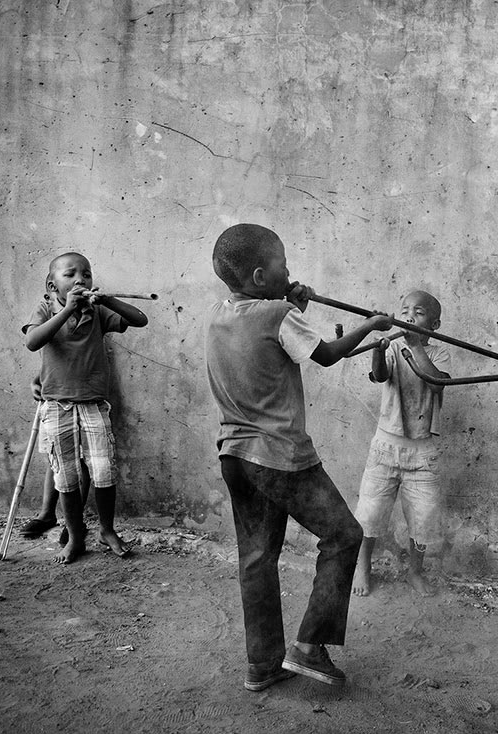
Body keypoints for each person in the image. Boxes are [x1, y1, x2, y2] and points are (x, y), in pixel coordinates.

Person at [204, 223, 392, 692]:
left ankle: (262, 666)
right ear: (260, 275)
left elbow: (268, 345)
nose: (291, 270)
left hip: (235, 455)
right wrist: (369, 325)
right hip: (280, 456)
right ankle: (309, 647)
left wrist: (292, 306)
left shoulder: (219, 314)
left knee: (257, 558)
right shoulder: (278, 314)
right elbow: (325, 355)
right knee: (345, 534)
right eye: (283, 264)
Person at [22, 252, 148, 563]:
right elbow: (33, 341)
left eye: (87, 274)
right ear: (53, 286)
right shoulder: (46, 308)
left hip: (93, 404)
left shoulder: (98, 311)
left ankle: (107, 529)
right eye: (71, 274)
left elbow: (139, 319)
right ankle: (76, 536)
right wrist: (66, 310)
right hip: (56, 405)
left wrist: (108, 301)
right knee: (65, 476)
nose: (81, 279)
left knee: (104, 471)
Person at [351, 290, 451, 598]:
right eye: (405, 309)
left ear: (433, 324)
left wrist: (414, 344)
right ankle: (362, 566)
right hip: (385, 448)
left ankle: (415, 572)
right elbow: (380, 376)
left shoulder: (438, 353)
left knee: (422, 520)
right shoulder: (392, 346)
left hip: (423, 453)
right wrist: (379, 351)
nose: (409, 315)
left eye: (418, 313)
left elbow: (437, 382)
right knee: (370, 514)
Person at [18, 377, 91, 544]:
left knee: (79, 460)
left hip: (79, 397)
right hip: (53, 398)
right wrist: (37, 380)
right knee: (54, 457)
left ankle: (75, 522)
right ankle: (47, 514)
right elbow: (49, 361)